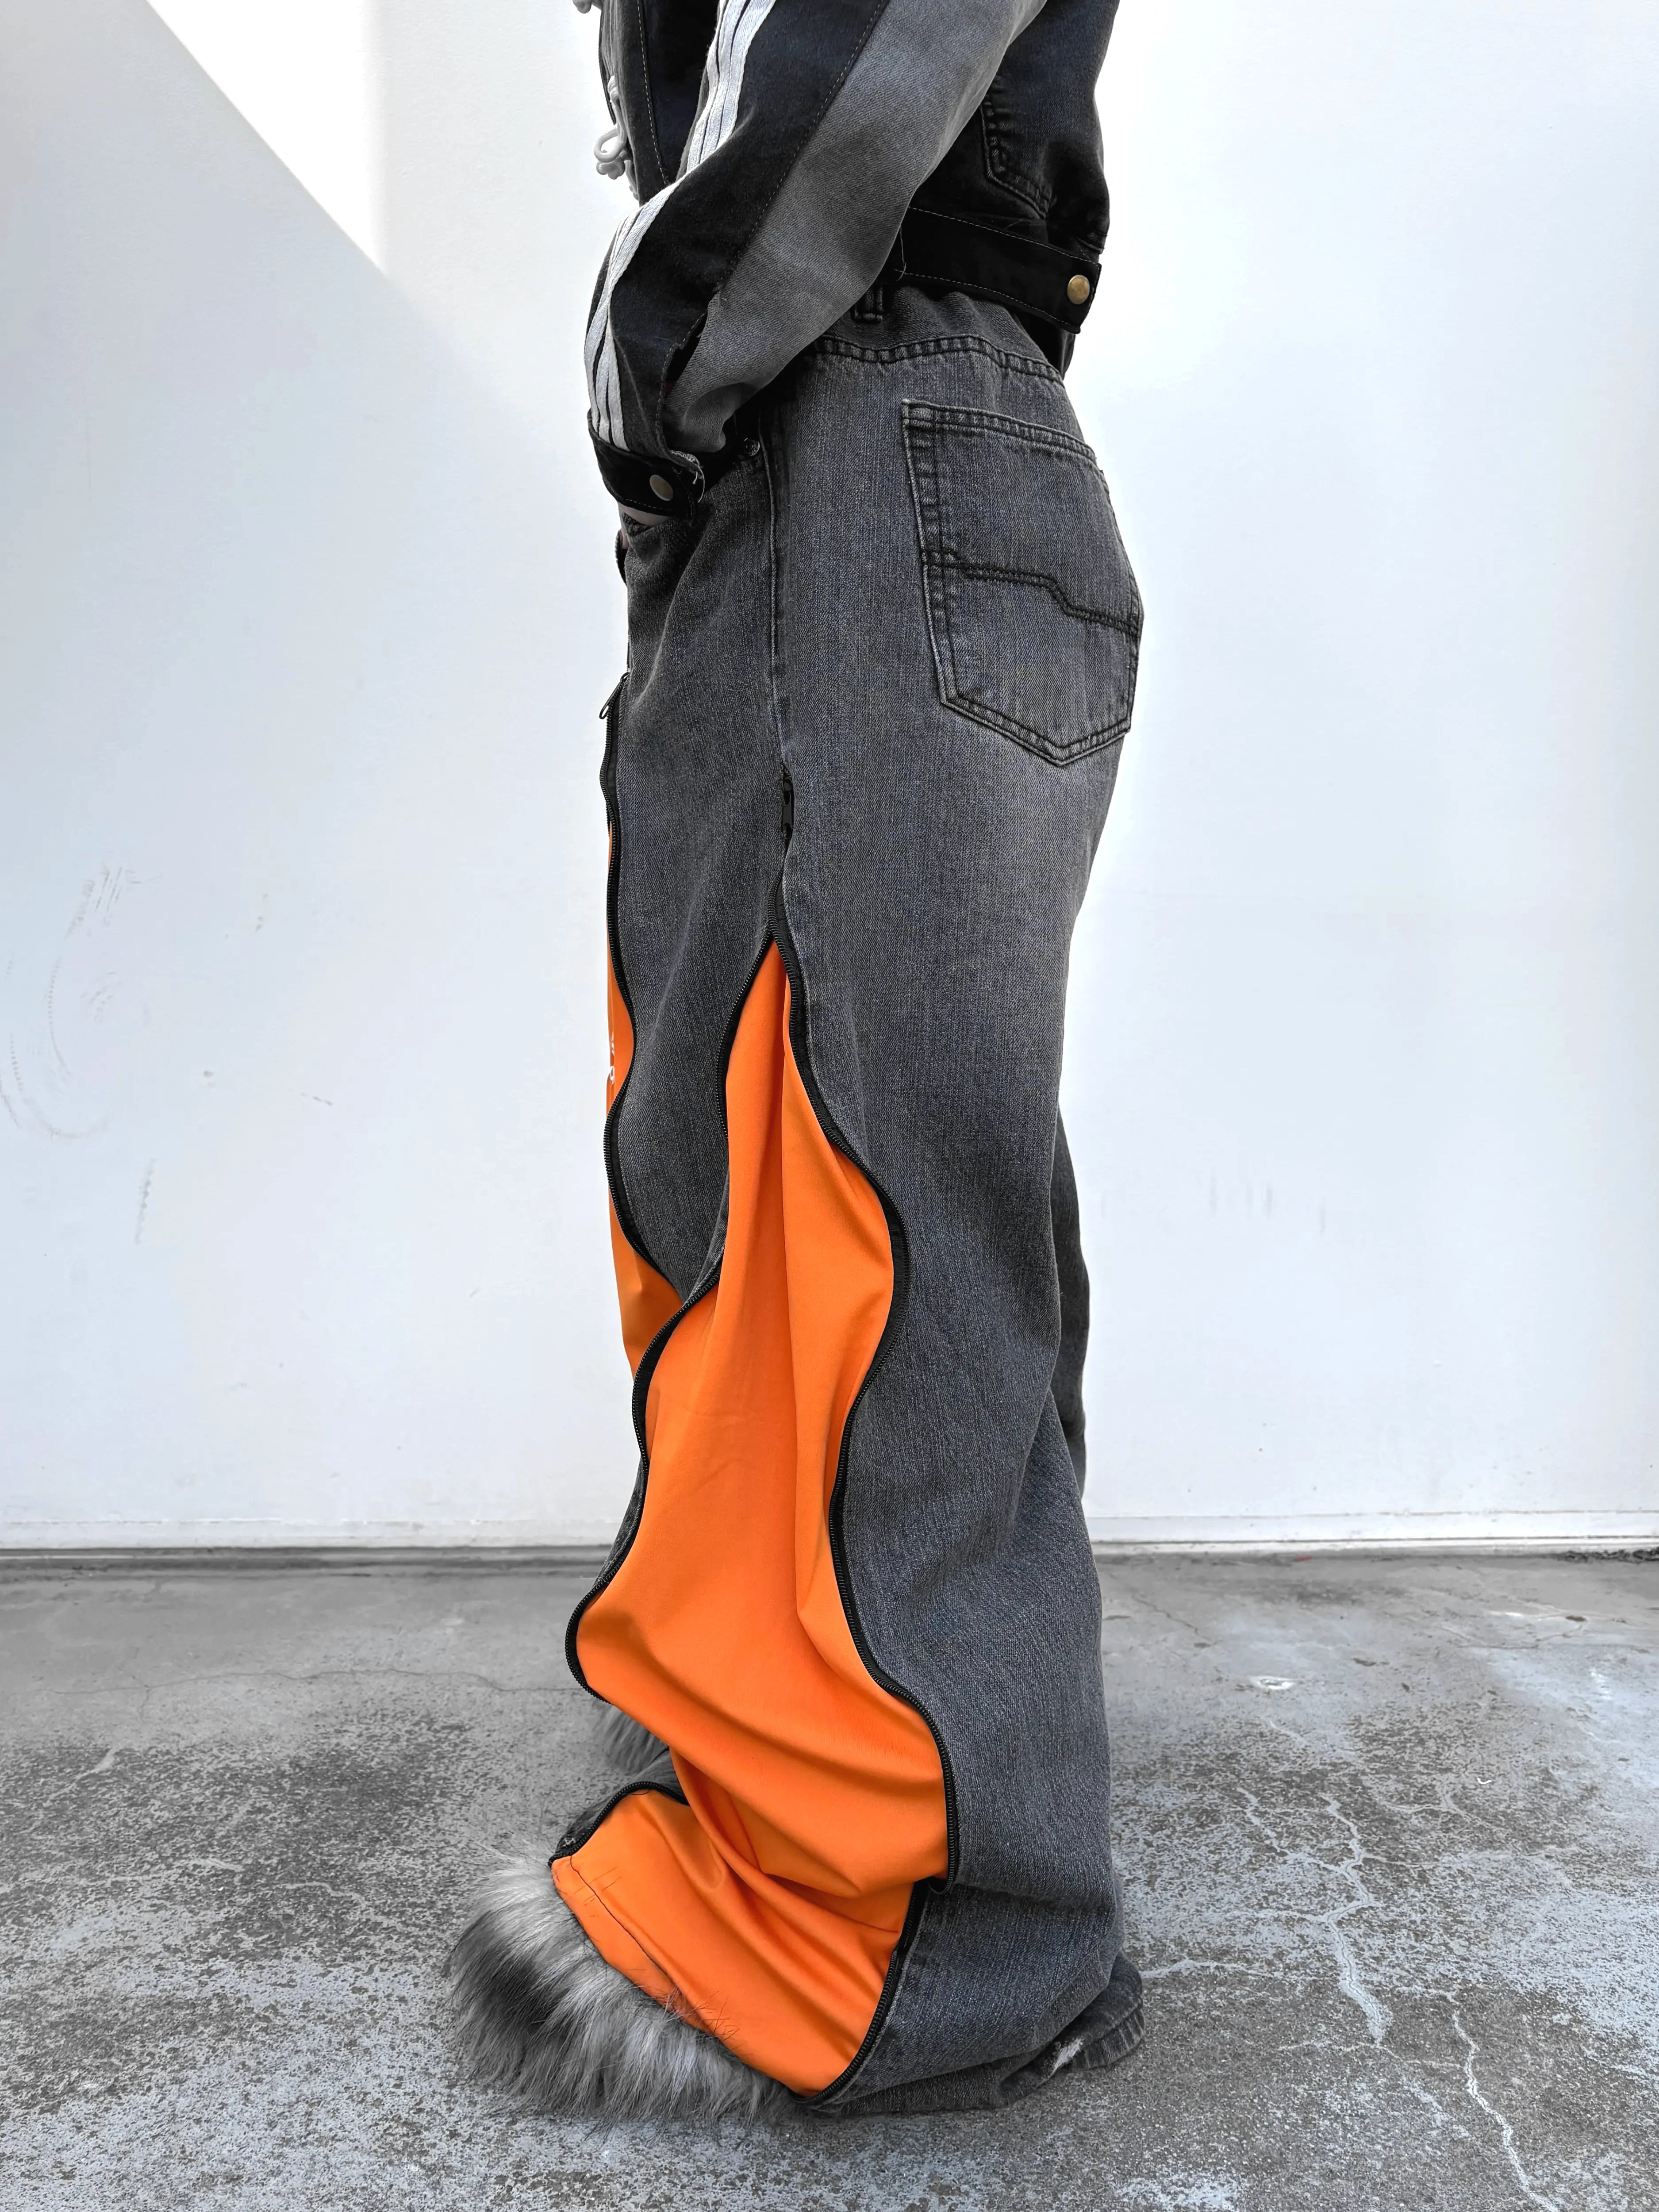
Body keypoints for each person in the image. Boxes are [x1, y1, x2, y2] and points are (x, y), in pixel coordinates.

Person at [449, 0, 1144, 2119]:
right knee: (846, 1164)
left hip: (847, 395)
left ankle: (888, 1923)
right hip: (906, 403)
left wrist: (656, 351)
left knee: (834, 1185)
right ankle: (892, 1811)